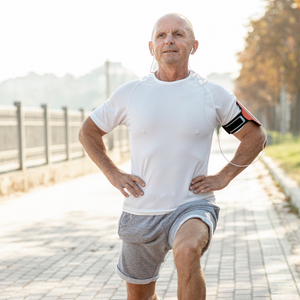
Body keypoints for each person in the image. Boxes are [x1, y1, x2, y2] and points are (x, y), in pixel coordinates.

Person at [78, 13, 265, 300]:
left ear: (194, 45)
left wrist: (224, 176)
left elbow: (255, 136)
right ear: (151, 47)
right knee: (140, 296)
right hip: (140, 211)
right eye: (161, 35)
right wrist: (113, 173)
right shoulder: (131, 93)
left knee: (188, 251)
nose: (170, 40)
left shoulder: (213, 95)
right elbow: (88, 132)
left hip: (191, 206)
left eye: (178, 34)